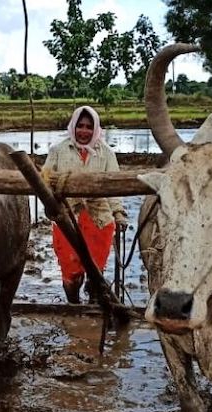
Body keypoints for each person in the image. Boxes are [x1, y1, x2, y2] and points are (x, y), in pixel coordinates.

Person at [43, 105, 128, 304]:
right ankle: (73, 306)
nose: (84, 131)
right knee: (71, 272)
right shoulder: (58, 151)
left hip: (99, 219)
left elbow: (114, 186)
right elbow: (45, 181)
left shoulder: (106, 153)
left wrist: (118, 212)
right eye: (80, 126)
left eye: (89, 127)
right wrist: (51, 205)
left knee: (95, 271)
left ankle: (94, 307)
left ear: (95, 128)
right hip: (67, 217)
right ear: (73, 127)